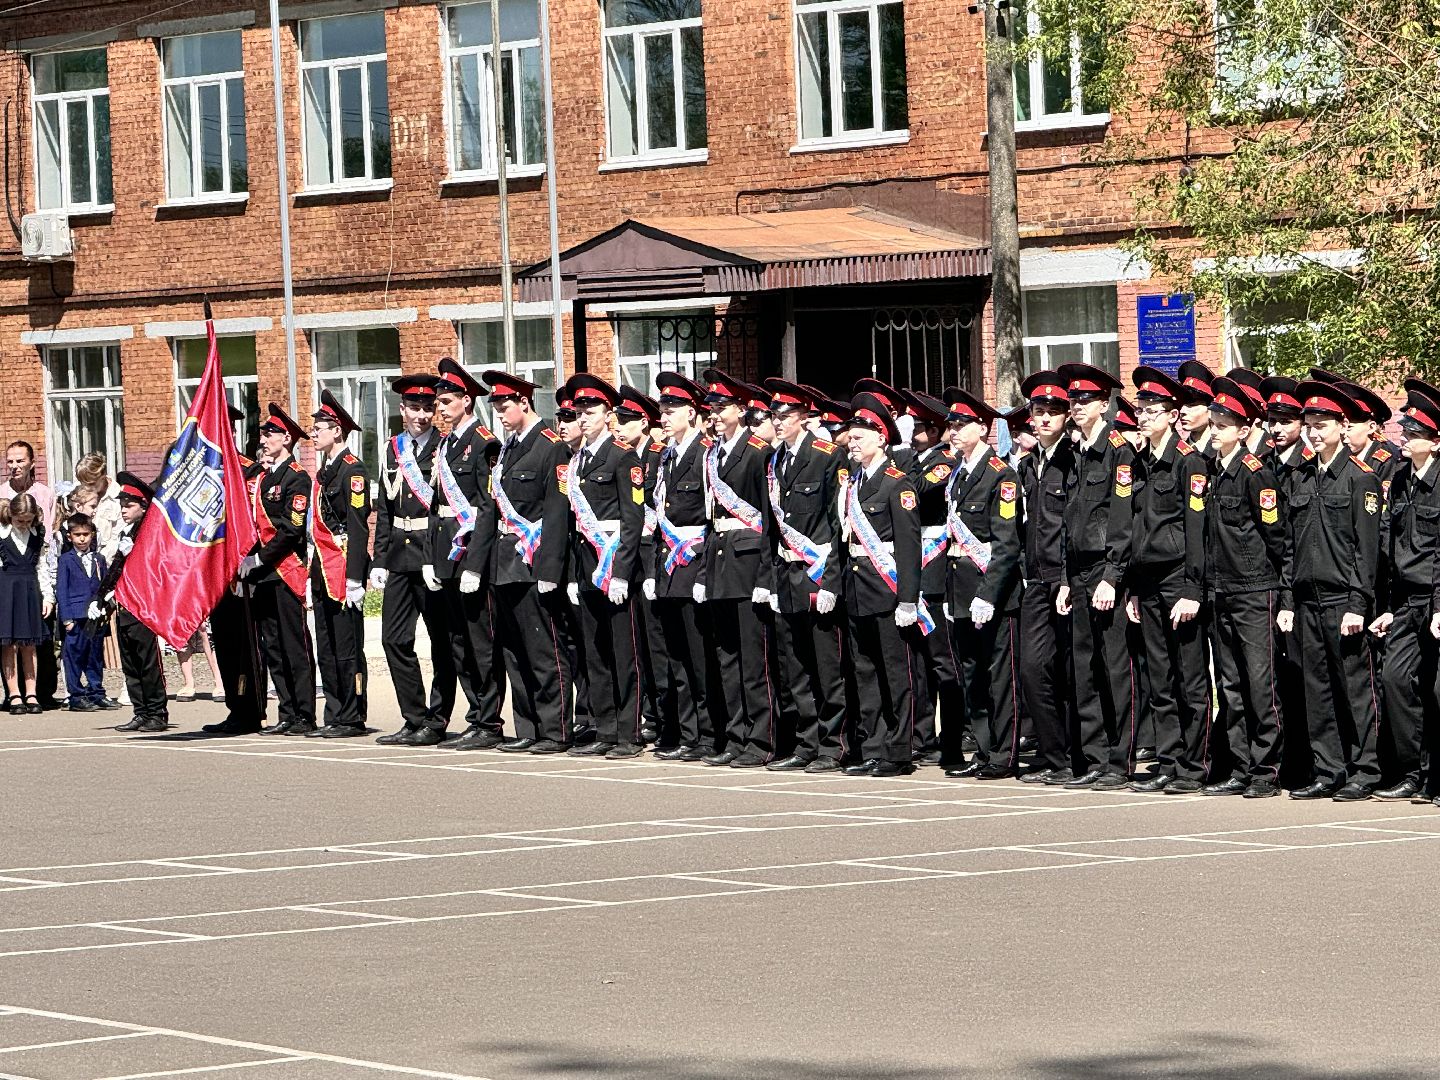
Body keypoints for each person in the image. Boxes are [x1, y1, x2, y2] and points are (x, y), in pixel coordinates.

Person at [1286, 381, 1383, 800]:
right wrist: (1289, 599)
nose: (1313, 433)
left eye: (1322, 425)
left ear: (1343, 426)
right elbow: (1291, 544)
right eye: (1309, 425)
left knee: (1354, 689)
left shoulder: (1361, 479)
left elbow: (1368, 548)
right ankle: (1330, 769)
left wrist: (1359, 602)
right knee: (1317, 689)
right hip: (1308, 598)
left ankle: (1367, 768)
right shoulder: (1302, 475)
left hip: (1344, 600)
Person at [1199, 379, 1290, 798]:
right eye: (1213, 422)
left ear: (1242, 427)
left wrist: (1282, 593)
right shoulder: (1211, 471)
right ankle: (1239, 766)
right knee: (1230, 685)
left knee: (1259, 683)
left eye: (1223, 423)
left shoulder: (1256, 474)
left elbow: (1278, 540)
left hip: (1255, 591)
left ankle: (1266, 769)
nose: (1215, 430)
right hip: (1221, 589)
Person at [1123, 366, 1211, 795]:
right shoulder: (1140, 461)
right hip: (1149, 581)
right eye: (1141, 409)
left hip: (1179, 579)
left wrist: (1193, 588)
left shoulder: (1189, 462)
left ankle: (1195, 765)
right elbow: (1136, 528)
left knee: (1189, 677)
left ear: (1173, 415)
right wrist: (1135, 587)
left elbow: (1196, 531)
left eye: (1152, 410)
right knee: (1159, 677)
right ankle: (1169, 760)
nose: (1143, 416)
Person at [482, 367, 575, 754]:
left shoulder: (551, 446)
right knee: (514, 650)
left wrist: (550, 569)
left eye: (505, 405)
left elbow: (557, 510)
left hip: (534, 560)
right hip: (505, 562)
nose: (500, 413)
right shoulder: (508, 447)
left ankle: (554, 730)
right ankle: (528, 726)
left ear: (524, 402)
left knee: (544, 649)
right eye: (496, 406)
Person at [1056, 362, 1137, 790]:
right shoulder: (1077, 453)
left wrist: (1113, 575)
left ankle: (1120, 760)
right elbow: (1072, 521)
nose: (1077, 406)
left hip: (1108, 573)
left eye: (1085, 400)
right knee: (1083, 669)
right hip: (1080, 571)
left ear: (1105, 404)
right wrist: (1068, 579)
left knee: (1114, 670)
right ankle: (1091, 759)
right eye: (1074, 400)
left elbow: (1122, 519)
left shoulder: (1118, 450)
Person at [762, 378, 847, 772]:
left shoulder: (827, 457)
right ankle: (805, 743)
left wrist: (831, 581)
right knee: (795, 667)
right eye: (773, 416)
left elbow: (838, 524)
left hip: (817, 574)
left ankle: (834, 745)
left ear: (804, 417)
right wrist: (768, 579)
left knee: (827, 669)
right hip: (787, 574)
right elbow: (771, 528)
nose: (777, 423)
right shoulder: (774, 460)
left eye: (785, 416)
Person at [561, 373, 646, 758]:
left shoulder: (623, 456)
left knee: (623, 653)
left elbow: (633, 520)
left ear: (607, 414)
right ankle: (606, 729)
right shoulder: (578, 459)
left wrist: (623, 573)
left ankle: (628, 734)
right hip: (587, 565)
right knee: (595, 652)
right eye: (579, 411)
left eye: (590, 410)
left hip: (614, 565)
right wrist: (576, 577)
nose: (582, 417)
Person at [939, 386, 1022, 779]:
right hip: (961, 590)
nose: (952, 431)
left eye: (961, 424)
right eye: (951, 424)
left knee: (998, 677)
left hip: (993, 594)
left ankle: (1004, 754)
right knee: (971, 674)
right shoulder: (957, 474)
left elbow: (1006, 544)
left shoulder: (1001, 475)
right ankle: (985, 752)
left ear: (983, 428)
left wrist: (989, 594)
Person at [840, 392, 924, 777]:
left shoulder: (897, 484)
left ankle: (898, 750)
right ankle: (872, 747)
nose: (852, 442)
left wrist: (908, 599)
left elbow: (909, 546)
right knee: (865, 672)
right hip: (857, 588)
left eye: (859, 436)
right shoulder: (852, 483)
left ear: (881, 437)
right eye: (850, 436)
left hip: (887, 590)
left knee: (895, 673)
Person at [420, 358, 504, 748]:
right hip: (445, 555)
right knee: (456, 640)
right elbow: (436, 507)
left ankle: (488, 721)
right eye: (439, 401)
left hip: (470, 555)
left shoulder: (483, 442)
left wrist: (474, 563)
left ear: (466, 401)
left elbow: (487, 507)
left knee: (480, 641)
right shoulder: (445, 444)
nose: (439, 407)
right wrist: (431, 558)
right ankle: (475, 716)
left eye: (447, 400)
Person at [370, 375, 457, 747]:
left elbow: (451, 508)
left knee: (441, 642)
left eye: (427, 408)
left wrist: (436, 558)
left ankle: (436, 720)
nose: (421, 415)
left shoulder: (444, 447)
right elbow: (385, 508)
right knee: (394, 640)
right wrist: (378, 559)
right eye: (414, 408)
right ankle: (413, 716)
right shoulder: (393, 449)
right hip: (399, 558)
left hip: (431, 554)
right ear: (402, 410)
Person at [698, 368, 776, 767]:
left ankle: (761, 741)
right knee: (727, 656)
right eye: (711, 407)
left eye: (721, 406)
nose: (713, 413)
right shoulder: (712, 454)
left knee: (753, 659)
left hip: (748, 564)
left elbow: (768, 518)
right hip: (720, 561)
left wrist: (765, 574)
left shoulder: (759, 452)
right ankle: (735, 735)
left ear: (741, 410)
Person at [1370, 380, 1440, 803]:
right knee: (1395, 681)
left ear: (1435, 442)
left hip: (1435, 600)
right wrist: (1390, 607)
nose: (1404, 437)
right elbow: (1392, 549)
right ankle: (1413, 771)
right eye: (1405, 430)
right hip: (1407, 603)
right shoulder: (1400, 482)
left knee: (1436, 690)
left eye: (1413, 433)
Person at [648, 372, 715, 761]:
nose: (665, 417)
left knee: (698, 655)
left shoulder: (705, 454)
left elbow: (708, 517)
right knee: (677, 657)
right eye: (663, 410)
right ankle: (689, 734)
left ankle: (707, 734)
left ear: (691, 412)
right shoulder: (666, 456)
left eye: (672, 410)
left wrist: (704, 572)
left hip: (693, 562)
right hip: (668, 567)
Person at [238, 403, 317, 736]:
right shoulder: (265, 477)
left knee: (294, 645)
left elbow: (291, 529)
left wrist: (260, 559)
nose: (264, 439)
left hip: (286, 570)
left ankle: (305, 713)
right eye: (263, 433)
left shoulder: (296, 477)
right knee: (273, 646)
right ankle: (286, 711)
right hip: (265, 575)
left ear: (286, 438)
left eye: (269, 433)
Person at [1014, 372, 1078, 785]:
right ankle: (1054, 755)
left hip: (1067, 578)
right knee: (1033, 668)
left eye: (1053, 412)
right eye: (1038, 412)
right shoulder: (1026, 465)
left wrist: (1069, 577)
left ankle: (1075, 757)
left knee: (1073, 671)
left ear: (1065, 417)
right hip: (1036, 581)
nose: (1044, 419)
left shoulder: (1072, 460)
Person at [899, 389, 961, 766]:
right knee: (918, 660)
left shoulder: (943, 460)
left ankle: (952, 735)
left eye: (919, 425)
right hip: (915, 564)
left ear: (936, 431)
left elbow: (917, 492)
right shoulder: (915, 459)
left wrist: (903, 455)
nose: (914, 431)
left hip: (936, 567)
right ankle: (922, 734)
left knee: (940, 658)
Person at [306, 389, 372, 737]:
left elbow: (358, 527)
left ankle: (352, 714)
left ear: (338, 431)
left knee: (347, 648)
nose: (314, 433)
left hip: (343, 567)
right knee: (327, 645)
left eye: (320, 427)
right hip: (322, 567)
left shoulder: (352, 470)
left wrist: (356, 578)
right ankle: (334, 712)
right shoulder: (323, 472)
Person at [1260, 375, 1314, 785]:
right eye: (1270, 420)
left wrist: (1289, 595)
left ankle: (1304, 762)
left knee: (1299, 677)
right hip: (1266, 585)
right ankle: (1285, 760)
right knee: (1273, 679)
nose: (1275, 428)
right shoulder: (1263, 465)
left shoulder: (1308, 466)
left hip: (1296, 585)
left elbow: (1296, 539)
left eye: (1284, 420)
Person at [201, 409, 268, 736]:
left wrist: (251, 563)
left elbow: (257, 521)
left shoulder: (247, 471)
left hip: (242, 571)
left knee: (245, 643)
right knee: (224, 640)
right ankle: (234, 706)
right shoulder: (201, 472)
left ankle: (251, 709)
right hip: (214, 571)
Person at [617, 384, 668, 745]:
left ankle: (665, 717)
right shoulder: (626, 457)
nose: (619, 425)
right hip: (631, 561)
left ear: (644, 422)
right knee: (640, 648)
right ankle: (649, 712)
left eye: (626, 419)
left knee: (659, 645)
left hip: (655, 559)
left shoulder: (657, 455)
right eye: (617, 419)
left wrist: (651, 570)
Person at [98, 474, 169, 733]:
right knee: (130, 662)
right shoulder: (127, 533)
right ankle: (141, 711)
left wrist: (137, 551)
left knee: (148, 661)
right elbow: (116, 568)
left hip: (144, 605)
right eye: (122, 504)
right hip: (126, 604)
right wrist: (103, 594)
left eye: (129, 505)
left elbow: (157, 567)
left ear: (143, 506)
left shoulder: (151, 533)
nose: (123, 509)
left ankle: (157, 712)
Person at [0, 492, 51, 714]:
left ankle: (31, 693)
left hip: (30, 589)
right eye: (20, 520)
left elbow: (42, 567)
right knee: (9, 644)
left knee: (29, 644)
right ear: (11, 515)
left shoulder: (38, 533)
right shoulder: (1, 535)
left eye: (28, 520)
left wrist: (48, 596)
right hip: (6, 589)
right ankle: (14, 694)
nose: (24, 524)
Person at [55, 513, 108, 711]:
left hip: (94, 615)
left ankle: (96, 692)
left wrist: (102, 608)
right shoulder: (66, 560)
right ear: (70, 536)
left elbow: (102, 586)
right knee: (74, 656)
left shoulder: (99, 558)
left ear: (92, 534)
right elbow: (62, 589)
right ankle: (76, 695)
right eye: (77, 535)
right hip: (75, 616)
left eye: (86, 534)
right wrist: (66, 618)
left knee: (95, 655)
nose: (82, 538)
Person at [1176, 360, 1217, 456]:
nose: (1182, 411)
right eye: (1181, 405)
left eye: (1192, 405)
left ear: (1210, 409)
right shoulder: (1177, 453)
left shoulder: (1222, 452)